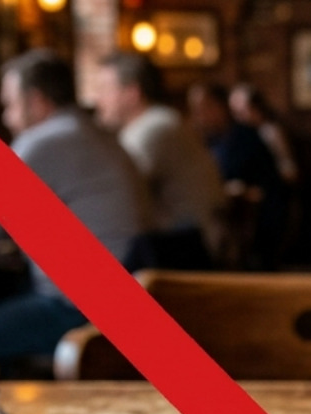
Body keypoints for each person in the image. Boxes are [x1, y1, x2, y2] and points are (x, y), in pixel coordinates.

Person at [0, 49, 147, 366]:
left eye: (10, 104)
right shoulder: (97, 134)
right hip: (124, 301)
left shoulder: (42, 142)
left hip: (77, 311)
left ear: (36, 101)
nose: (8, 117)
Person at [92, 53, 225, 270]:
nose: (98, 99)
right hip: (180, 246)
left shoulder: (155, 128)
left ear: (132, 94)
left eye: (105, 89)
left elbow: (114, 194)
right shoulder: (160, 122)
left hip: (185, 255)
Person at [188, 83, 285, 270]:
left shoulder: (245, 137)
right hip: (228, 217)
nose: (197, 116)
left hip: (257, 223)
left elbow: (261, 187)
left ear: (220, 107)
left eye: (202, 108)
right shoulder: (209, 140)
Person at [229, 83, 299, 186]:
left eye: (242, 112)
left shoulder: (270, 132)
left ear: (257, 108)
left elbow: (290, 170)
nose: (238, 118)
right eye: (235, 113)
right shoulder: (237, 135)